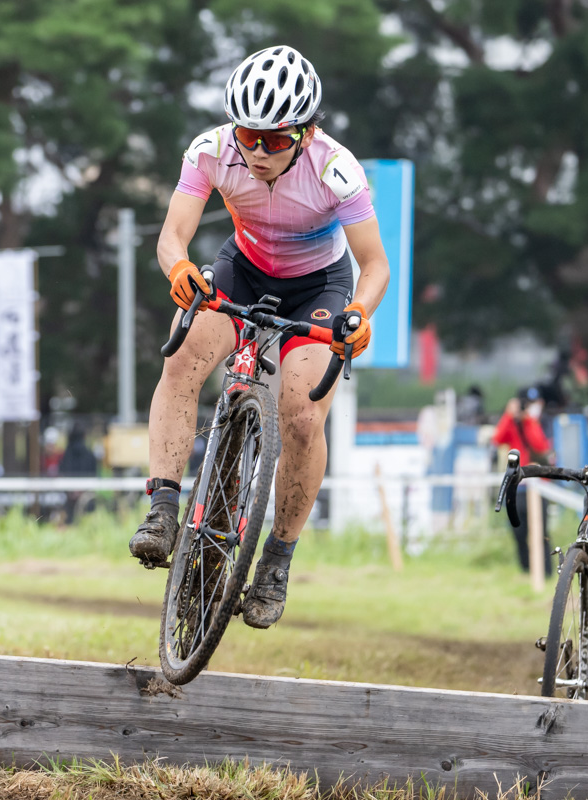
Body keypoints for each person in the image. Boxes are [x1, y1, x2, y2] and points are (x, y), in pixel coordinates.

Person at [128, 45, 389, 629]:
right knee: (183, 354)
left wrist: (359, 315)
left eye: (275, 140)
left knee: (301, 413)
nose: (258, 151)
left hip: (318, 285)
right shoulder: (211, 151)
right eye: (249, 135)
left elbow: (375, 265)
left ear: (306, 132)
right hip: (241, 270)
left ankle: (277, 556)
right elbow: (172, 236)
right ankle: (164, 506)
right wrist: (178, 270)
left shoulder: (336, 170)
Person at [491, 387, 553, 574]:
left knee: (541, 531)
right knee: (519, 531)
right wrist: (509, 416)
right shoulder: (513, 423)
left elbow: (540, 445)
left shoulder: (541, 422)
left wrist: (529, 421)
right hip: (518, 488)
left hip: (538, 486)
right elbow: (498, 438)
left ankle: (545, 571)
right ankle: (526, 569)